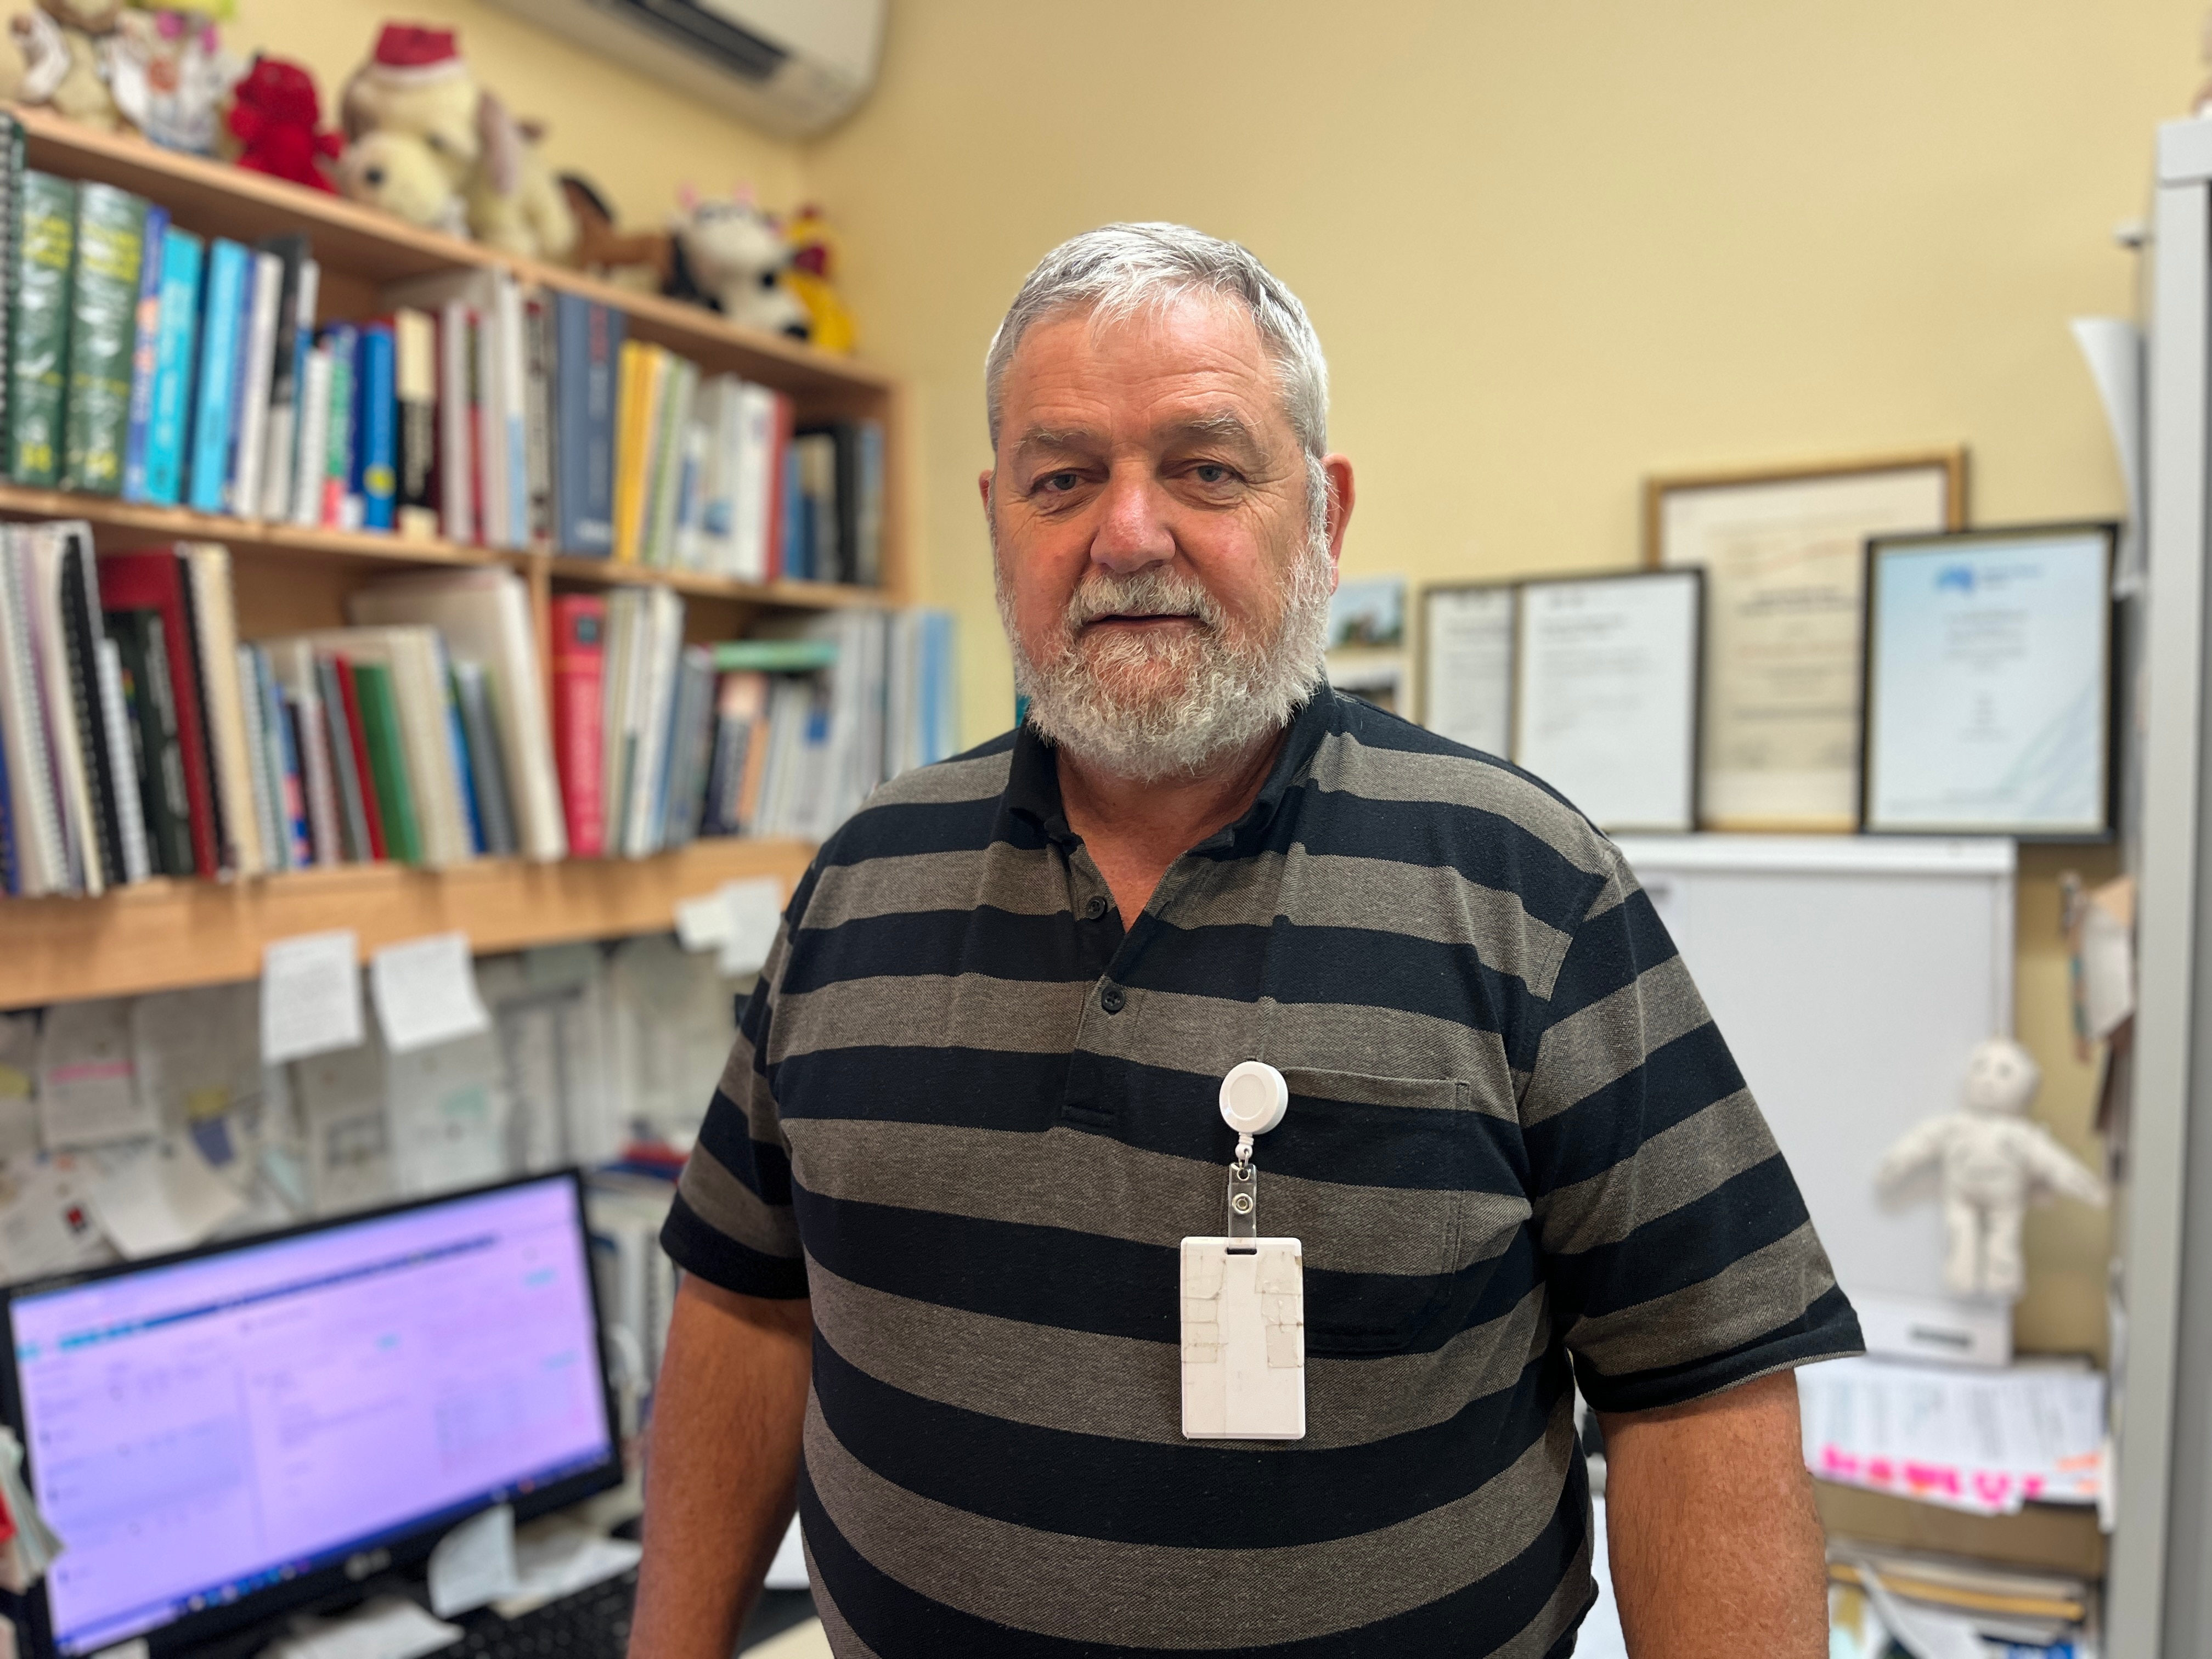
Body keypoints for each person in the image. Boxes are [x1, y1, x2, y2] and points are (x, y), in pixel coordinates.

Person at [631, 223, 1861, 1658]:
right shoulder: (860, 880)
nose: (1128, 533)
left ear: (1324, 515)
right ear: (998, 518)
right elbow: (748, 1306)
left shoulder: (1526, 886)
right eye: (1061, 478)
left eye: (1206, 469)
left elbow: (1697, 1388)